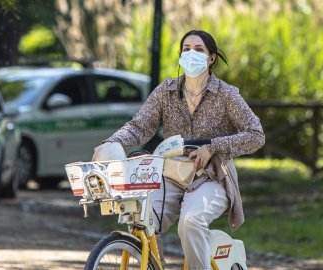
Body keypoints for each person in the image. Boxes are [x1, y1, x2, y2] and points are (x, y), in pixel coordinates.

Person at [92, 29, 265, 269]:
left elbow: (256, 135)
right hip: (171, 175)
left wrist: (213, 146)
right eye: (186, 49)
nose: (191, 54)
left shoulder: (226, 95)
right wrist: (111, 142)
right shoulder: (167, 91)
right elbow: (139, 126)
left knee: (191, 221)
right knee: (140, 217)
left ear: (211, 57)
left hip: (211, 177)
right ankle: (155, 263)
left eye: (199, 49)